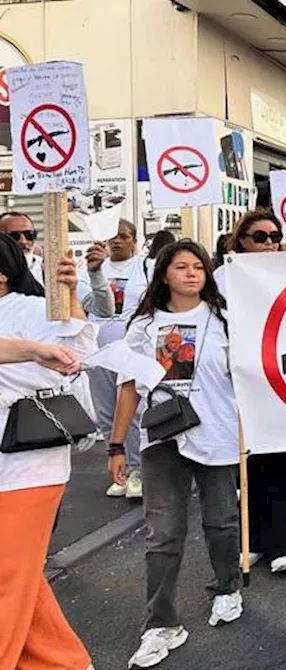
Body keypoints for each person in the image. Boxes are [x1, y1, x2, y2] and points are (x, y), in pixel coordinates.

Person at [108, 240, 244, 667]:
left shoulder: (225, 320)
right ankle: (160, 624)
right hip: (162, 440)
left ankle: (227, 588)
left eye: (198, 267)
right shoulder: (143, 327)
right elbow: (128, 388)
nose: (191, 274)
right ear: (163, 273)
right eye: (181, 266)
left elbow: (248, 377)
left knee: (221, 522)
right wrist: (116, 445)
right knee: (162, 535)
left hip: (217, 436)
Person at [0, 234, 95, 670]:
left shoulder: (26, 309)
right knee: (22, 586)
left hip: (26, 469)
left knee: (7, 582)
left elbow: (76, 351)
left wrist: (71, 295)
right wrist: (31, 350)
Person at [213, 212, 286, 572]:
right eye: (259, 237)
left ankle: (283, 544)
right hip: (237, 378)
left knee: (277, 459)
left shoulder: (285, 271)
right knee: (246, 463)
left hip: (277, 376)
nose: (268, 243)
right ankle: (254, 541)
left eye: (274, 236)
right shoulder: (221, 277)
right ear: (241, 240)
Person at [93, 220, 153, 500]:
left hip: (132, 351)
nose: (117, 241)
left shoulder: (146, 268)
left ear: (134, 240)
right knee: (106, 413)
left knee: (131, 412)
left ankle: (138, 469)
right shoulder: (93, 269)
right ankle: (120, 471)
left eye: (123, 236)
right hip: (99, 352)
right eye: (112, 237)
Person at [2, 211, 114, 318]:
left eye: (29, 235)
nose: (23, 241)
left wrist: (95, 273)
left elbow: (104, 310)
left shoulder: (53, 270)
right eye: (13, 236)